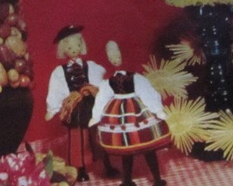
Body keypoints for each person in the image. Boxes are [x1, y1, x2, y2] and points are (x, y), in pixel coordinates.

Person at [90, 41, 170, 186]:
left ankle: (157, 179)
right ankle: (127, 180)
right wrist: (96, 116)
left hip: (136, 110)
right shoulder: (109, 82)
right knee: (126, 150)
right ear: (108, 60)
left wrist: (157, 110)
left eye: (118, 56)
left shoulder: (135, 77)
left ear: (123, 56)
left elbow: (147, 93)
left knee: (148, 147)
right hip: (118, 113)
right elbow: (102, 98)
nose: (116, 60)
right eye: (112, 58)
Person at [45, 24, 119, 181]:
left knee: (97, 134)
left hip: (91, 103)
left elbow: (100, 79)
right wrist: (52, 108)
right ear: (63, 49)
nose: (74, 49)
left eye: (77, 45)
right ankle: (80, 169)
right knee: (78, 138)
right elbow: (56, 88)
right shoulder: (60, 72)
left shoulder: (90, 66)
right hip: (75, 107)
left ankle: (107, 164)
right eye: (69, 47)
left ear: (81, 45)